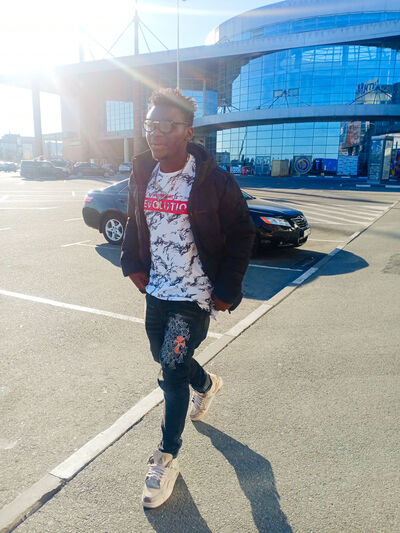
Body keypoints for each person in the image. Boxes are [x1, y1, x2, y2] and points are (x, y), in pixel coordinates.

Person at [121, 88, 255, 509]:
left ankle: (166, 458)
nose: (155, 133)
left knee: (172, 372)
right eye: (150, 124)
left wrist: (228, 289)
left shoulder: (212, 180)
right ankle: (208, 384)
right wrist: (131, 262)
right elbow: (134, 220)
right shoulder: (143, 170)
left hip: (194, 295)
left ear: (187, 132)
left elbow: (242, 232)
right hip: (156, 290)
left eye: (166, 125)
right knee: (165, 359)